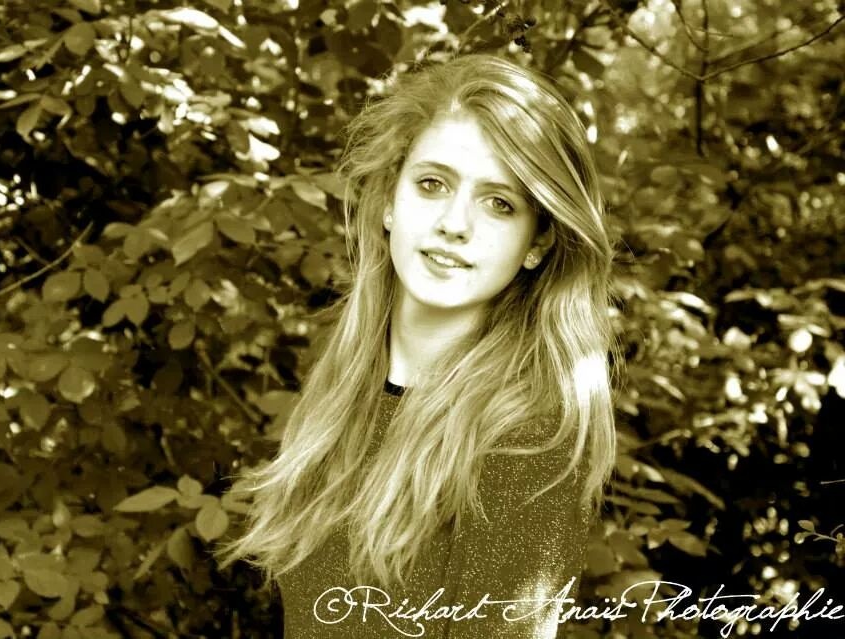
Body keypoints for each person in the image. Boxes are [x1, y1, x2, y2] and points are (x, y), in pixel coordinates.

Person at [215, 53, 618, 638]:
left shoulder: (530, 441)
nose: (455, 223)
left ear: (537, 242)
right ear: (388, 201)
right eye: (433, 184)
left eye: (499, 203)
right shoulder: (344, 389)